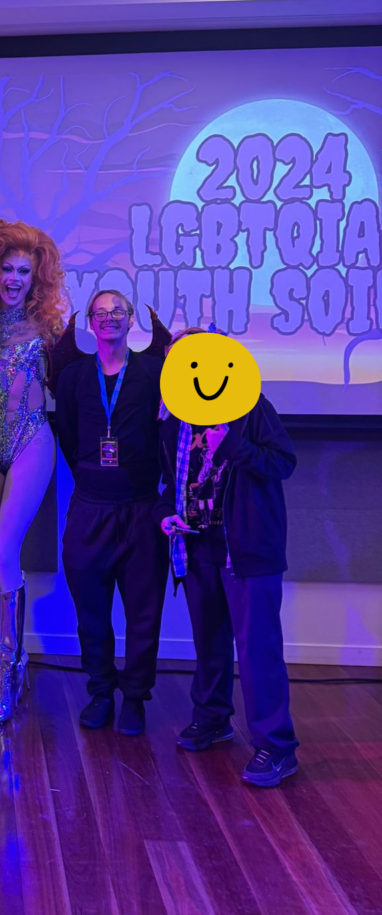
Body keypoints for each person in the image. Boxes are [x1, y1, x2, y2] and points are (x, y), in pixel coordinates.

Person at [156, 328, 299, 787]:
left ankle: (277, 748)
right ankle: (213, 718)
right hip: (198, 546)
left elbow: (283, 463)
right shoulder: (173, 418)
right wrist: (165, 516)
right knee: (210, 644)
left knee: (257, 650)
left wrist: (233, 446)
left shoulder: (252, 408)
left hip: (248, 550)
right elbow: (167, 483)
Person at [0, 220, 66, 726]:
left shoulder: (49, 331)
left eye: (25, 270)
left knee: (5, 552)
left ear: (37, 276)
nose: (15, 278)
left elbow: (76, 388)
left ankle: (6, 681)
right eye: (7, 268)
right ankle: (16, 667)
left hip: (31, 441)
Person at [53, 289, 171, 736]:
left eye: (117, 312)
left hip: (141, 508)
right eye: (100, 314)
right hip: (89, 509)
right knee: (92, 611)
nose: (109, 320)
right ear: (89, 322)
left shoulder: (155, 373)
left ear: (131, 319)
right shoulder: (73, 378)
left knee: (144, 612)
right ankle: (101, 692)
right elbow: (67, 435)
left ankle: (135, 698)